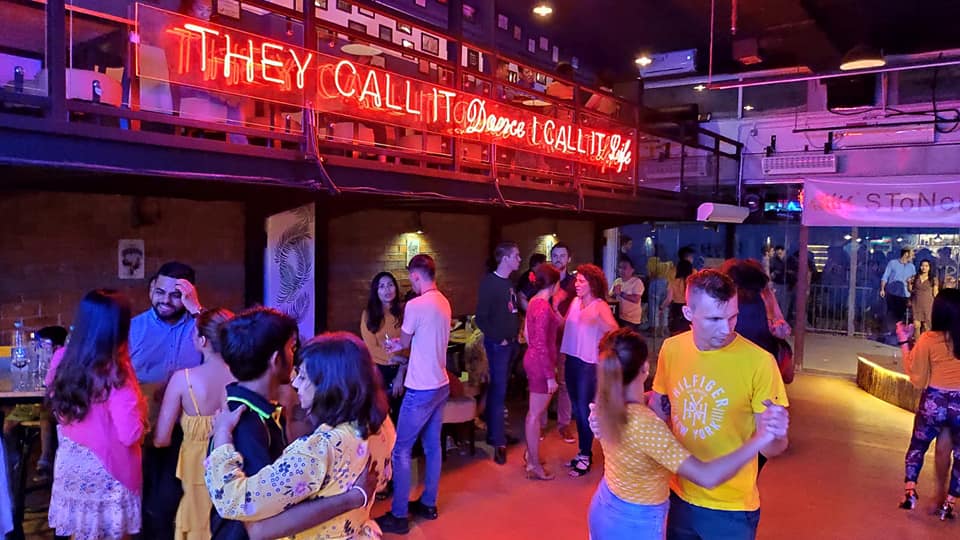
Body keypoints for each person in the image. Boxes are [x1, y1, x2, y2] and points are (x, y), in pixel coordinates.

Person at [589, 328, 786, 540]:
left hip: (604, 507)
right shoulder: (647, 427)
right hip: (635, 524)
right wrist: (761, 437)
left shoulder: (603, 406)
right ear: (645, 368)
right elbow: (707, 476)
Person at [207, 332, 397, 538]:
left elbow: (232, 499)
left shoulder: (317, 451)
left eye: (304, 377)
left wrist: (222, 433)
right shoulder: (380, 426)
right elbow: (381, 480)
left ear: (330, 386)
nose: (295, 383)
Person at [646, 270, 789, 539]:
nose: (726, 329)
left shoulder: (760, 362)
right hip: (678, 494)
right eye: (714, 319)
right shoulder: (671, 349)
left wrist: (775, 433)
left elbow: (774, 448)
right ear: (689, 314)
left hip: (731, 508)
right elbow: (658, 409)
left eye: (733, 316)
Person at [46, 289, 148, 539]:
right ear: (119, 327)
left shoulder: (61, 358)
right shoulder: (116, 372)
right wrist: (144, 411)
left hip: (71, 466)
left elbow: (55, 402)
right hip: (109, 470)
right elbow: (129, 433)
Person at [376, 254, 451, 535]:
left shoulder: (415, 305)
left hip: (420, 387)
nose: (410, 283)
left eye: (411, 278)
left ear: (417, 276)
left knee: (401, 449)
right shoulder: (444, 301)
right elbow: (422, 340)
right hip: (440, 384)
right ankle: (428, 504)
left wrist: (393, 346)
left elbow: (404, 344)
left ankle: (398, 515)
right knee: (432, 447)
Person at [209, 306, 298, 540]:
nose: (294, 355)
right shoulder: (247, 422)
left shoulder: (249, 410)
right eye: (292, 348)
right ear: (276, 360)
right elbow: (260, 505)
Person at [131, 261, 203, 540]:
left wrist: (197, 309)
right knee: (141, 504)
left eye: (176, 295)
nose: (166, 300)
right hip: (142, 429)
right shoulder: (132, 328)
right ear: (151, 288)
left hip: (189, 432)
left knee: (170, 504)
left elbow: (230, 348)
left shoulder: (203, 327)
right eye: (160, 292)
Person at [153, 308, 235, 540]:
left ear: (202, 340)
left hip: (195, 468)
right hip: (231, 464)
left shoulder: (183, 379)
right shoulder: (242, 377)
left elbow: (162, 438)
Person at [895, 289, 960, 521]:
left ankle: (910, 492)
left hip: (934, 401)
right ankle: (949, 503)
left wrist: (904, 341)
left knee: (917, 446)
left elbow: (917, 377)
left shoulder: (929, 339)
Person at [561, 263, 618, 477]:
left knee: (585, 410)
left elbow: (614, 331)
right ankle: (582, 452)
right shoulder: (575, 302)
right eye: (577, 280)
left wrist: (599, 321)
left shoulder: (599, 305)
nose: (577, 284)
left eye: (581, 281)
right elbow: (564, 324)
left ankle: (586, 454)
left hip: (588, 362)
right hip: (572, 359)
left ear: (592, 284)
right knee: (576, 408)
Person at [476, 241, 522, 465]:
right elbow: (481, 318)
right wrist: (500, 338)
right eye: (516, 256)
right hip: (499, 346)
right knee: (498, 391)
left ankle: (497, 433)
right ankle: (498, 443)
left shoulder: (509, 283)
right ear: (505, 258)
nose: (519, 260)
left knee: (503, 391)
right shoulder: (489, 284)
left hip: (512, 344)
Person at [3, 325, 67, 481]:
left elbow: (52, 383)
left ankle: (44, 461)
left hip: (55, 406)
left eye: (43, 346)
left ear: (57, 347)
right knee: (8, 423)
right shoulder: (35, 361)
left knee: (45, 417)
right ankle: (12, 457)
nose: (38, 349)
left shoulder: (63, 359)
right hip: (35, 404)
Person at [721, 259, 794, 386]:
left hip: (747, 357)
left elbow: (778, 322)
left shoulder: (728, 300)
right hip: (757, 357)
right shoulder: (759, 297)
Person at [522, 263, 563, 481]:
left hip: (533, 359)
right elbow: (539, 344)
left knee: (534, 413)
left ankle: (531, 456)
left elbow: (529, 337)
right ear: (555, 284)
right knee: (535, 415)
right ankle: (533, 464)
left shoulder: (534, 302)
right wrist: (550, 376)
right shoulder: (542, 307)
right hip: (540, 363)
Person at [360, 272, 408, 424]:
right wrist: (393, 357)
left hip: (404, 368)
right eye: (381, 286)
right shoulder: (368, 315)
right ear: (376, 291)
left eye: (390, 285)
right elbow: (370, 347)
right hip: (378, 370)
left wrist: (400, 372)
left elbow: (409, 346)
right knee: (380, 416)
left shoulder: (404, 313)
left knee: (402, 415)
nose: (387, 290)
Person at [550, 243, 576, 443]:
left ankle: (564, 424)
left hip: (567, 337)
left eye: (562, 256)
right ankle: (540, 424)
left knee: (565, 382)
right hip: (546, 337)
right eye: (555, 255)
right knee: (543, 381)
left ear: (569, 259)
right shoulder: (544, 280)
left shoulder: (575, 283)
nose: (558, 259)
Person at [881, 248, 916, 334]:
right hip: (892, 293)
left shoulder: (912, 266)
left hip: (905, 294)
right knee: (891, 312)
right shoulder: (892, 263)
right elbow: (885, 276)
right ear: (906, 254)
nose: (913, 256)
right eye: (912, 254)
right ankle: (891, 331)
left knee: (901, 313)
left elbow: (914, 279)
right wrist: (882, 288)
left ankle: (899, 332)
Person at [611, 257, 645, 332]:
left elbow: (636, 299)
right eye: (620, 267)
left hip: (631, 319)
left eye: (624, 268)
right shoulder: (617, 281)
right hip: (618, 316)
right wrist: (614, 293)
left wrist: (621, 293)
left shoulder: (637, 282)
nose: (621, 270)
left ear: (632, 270)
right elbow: (611, 296)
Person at [662, 259, 694, 336]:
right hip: (689, 307)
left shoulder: (673, 281)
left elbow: (669, 299)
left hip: (676, 308)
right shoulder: (692, 283)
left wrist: (661, 308)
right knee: (688, 333)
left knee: (676, 332)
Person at [912, 259, 938, 335]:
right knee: (916, 326)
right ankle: (917, 345)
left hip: (928, 305)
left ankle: (925, 345)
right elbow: (911, 290)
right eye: (922, 265)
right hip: (916, 304)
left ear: (930, 267)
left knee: (926, 327)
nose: (924, 267)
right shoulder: (915, 277)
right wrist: (908, 284)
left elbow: (935, 293)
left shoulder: (933, 279)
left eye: (926, 266)